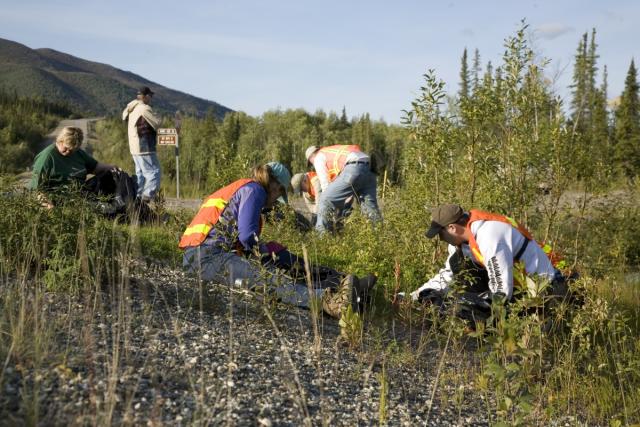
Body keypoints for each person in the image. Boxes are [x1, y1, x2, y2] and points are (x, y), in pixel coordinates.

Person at [179, 162, 375, 318]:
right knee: (268, 276)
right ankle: (331, 300)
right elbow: (247, 236)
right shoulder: (255, 190)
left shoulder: (246, 188)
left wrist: (272, 253)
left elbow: (245, 239)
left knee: (276, 252)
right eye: (280, 193)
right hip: (204, 258)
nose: (276, 200)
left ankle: (342, 282)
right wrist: (267, 259)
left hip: (208, 254)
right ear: (273, 184)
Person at [411, 204, 566, 314]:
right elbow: (447, 274)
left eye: (441, 233)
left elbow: (501, 290)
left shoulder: (489, 234)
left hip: (542, 288)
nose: (440, 238)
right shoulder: (459, 243)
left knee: (468, 305)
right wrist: (416, 295)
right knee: (457, 266)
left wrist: (483, 307)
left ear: (452, 228)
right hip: (516, 284)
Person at [30, 126, 118, 209]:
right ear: (60, 141)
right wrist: (49, 206)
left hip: (80, 196)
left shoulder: (78, 153)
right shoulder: (47, 158)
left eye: (72, 150)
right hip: (58, 202)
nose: (68, 152)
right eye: (66, 148)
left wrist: (112, 167)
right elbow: (36, 189)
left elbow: (95, 167)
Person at [305, 145, 382, 233]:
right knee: (370, 208)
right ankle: (379, 235)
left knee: (324, 198)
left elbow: (325, 185)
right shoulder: (333, 151)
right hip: (370, 167)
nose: (312, 164)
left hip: (354, 167)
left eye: (310, 162)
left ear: (311, 157)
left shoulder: (318, 157)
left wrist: (330, 205)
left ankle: (321, 238)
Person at [122, 86, 161, 201]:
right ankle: (148, 197)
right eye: (151, 96)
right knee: (154, 172)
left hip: (134, 147)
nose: (151, 98)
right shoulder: (144, 108)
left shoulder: (130, 108)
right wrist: (158, 116)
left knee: (140, 174)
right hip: (144, 145)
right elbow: (157, 123)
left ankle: (137, 198)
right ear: (147, 96)